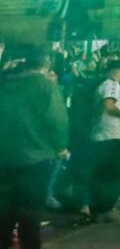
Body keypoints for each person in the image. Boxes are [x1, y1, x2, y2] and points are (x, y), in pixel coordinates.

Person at [0, 47, 69, 249]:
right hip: (36, 159)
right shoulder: (45, 86)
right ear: (46, 62)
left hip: (4, 159)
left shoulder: (3, 84)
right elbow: (57, 120)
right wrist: (61, 147)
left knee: (4, 214)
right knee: (30, 216)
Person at [88, 60, 120, 222]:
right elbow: (109, 106)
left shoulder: (102, 85)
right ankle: (106, 209)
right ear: (117, 71)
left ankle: (99, 211)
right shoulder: (112, 85)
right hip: (112, 136)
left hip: (101, 136)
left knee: (102, 174)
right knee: (113, 174)